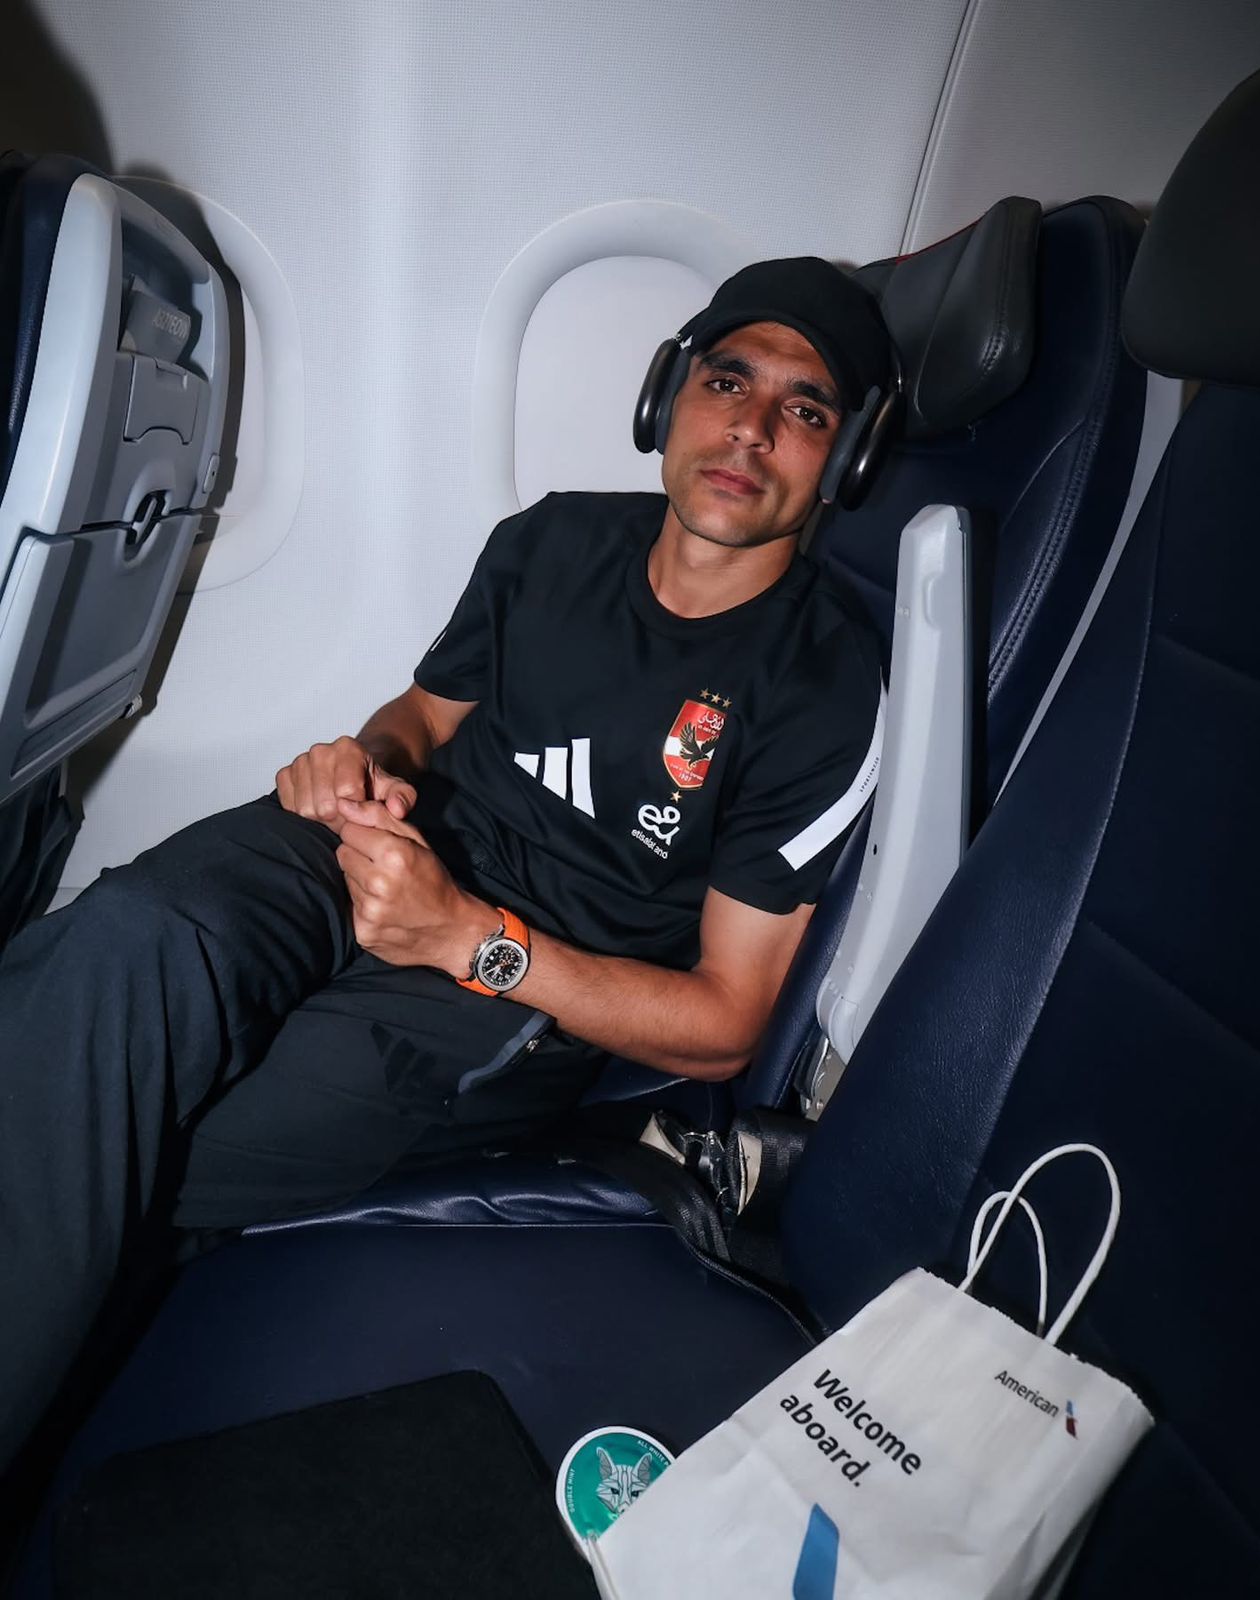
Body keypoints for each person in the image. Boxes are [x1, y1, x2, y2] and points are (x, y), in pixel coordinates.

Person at [0, 256, 891, 1467]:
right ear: (667, 396)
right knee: (120, 941)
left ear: (843, 459)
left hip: (516, 982)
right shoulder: (551, 539)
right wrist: (360, 765)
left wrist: (469, 938)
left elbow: (727, 1023)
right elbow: (422, 718)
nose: (749, 428)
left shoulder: (821, 683)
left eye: (804, 409)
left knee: (138, 1143)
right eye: (727, 381)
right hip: (383, 844)